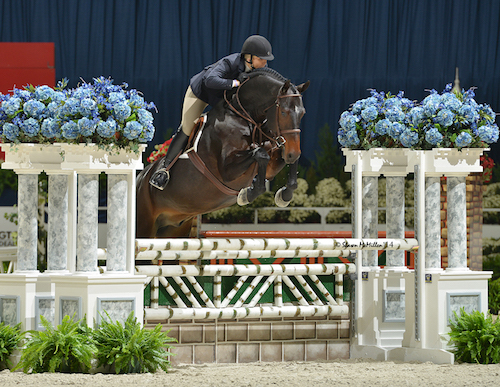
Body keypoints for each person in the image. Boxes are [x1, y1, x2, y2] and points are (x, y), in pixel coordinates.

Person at [149, 34, 274, 190]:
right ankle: (163, 170)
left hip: (222, 99)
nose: (265, 62)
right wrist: (235, 82)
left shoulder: (261, 69)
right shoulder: (231, 62)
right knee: (187, 127)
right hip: (200, 93)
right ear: (249, 57)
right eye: (261, 59)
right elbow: (210, 80)